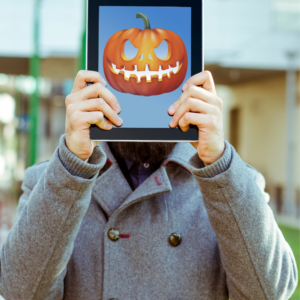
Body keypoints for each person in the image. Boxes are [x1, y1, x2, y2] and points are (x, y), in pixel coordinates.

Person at [0, 70, 297, 300]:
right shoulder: (52, 180)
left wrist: (218, 160)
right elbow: (20, 292)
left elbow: (269, 293)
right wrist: (72, 164)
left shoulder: (230, 184)